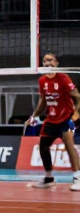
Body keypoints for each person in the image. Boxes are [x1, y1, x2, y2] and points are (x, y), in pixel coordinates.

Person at [26, 53, 80, 191]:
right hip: (51, 119)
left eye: (50, 60)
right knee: (43, 146)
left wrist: (76, 113)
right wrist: (34, 116)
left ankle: (77, 178)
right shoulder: (42, 80)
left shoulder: (63, 78)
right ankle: (49, 178)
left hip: (65, 118)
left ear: (56, 63)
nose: (47, 63)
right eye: (44, 61)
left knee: (69, 146)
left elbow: (77, 96)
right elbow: (43, 101)